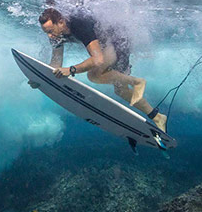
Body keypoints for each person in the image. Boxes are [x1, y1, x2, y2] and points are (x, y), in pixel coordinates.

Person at [37, 7, 166, 132]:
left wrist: (71, 70)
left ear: (61, 22)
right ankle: (157, 117)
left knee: (94, 75)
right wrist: (42, 80)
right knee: (121, 90)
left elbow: (97, 59)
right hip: (106, 46)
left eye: (50, 31)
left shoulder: (78, 23)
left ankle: (137, 82)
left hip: (118, 40)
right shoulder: (56, 36)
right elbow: (55, 63)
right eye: (46, 32)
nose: (49, 36)